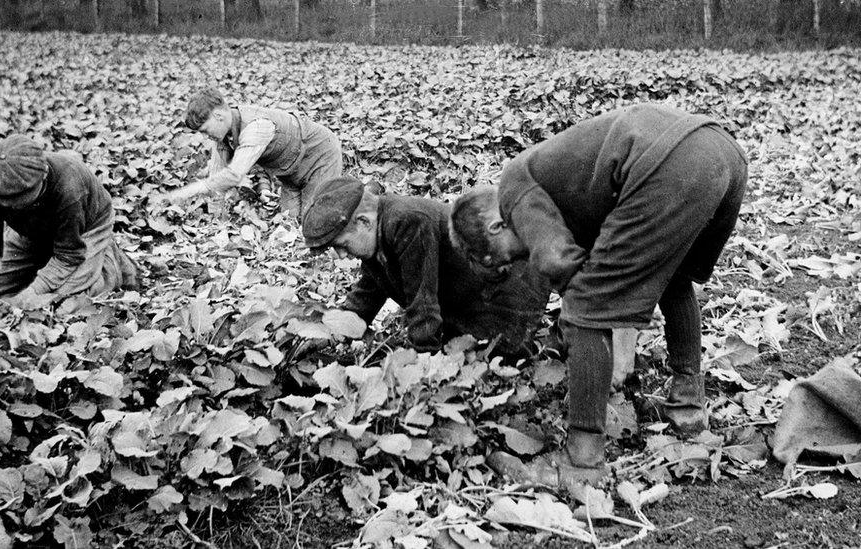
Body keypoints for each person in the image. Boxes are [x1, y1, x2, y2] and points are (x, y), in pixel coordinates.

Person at [449, 103, 747, 487]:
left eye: (492, 260)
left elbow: (559, 261)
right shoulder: (563, 191)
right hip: (722, 151)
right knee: (675, 278)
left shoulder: (514, 188)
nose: (506, 268)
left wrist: (584, 320)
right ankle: (688, 408)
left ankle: (581, 461)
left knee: (585, 306)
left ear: (496, 226)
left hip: (670, 162)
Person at [301, 176, 547, 354]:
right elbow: (368, 293)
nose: (341, 256)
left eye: (342, 245)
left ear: (364, 222)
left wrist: (423, 369)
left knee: (496, 361)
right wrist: (329, 329)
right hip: (469, 303)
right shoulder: (379, 232)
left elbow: (423, 303)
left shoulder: (407, 221)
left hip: (509, 294)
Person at [0, 135, 139, 308]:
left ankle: (108, 260)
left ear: (44, 175)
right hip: (33, 230)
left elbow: (69, 254)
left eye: (19, 199)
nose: (10, 206)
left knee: (66, 301)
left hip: (87, 227)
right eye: (6, 201)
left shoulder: (70, 188)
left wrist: (35, 290)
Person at [163, 87, 344, 220]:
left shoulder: (256, 127)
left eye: (204, 129)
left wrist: (186, 192)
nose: (205, 135)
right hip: (290, 174)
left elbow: (233, 175)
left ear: (218, 116)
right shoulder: (222, 137)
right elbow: (218, 178)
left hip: (320, 156)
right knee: (289, 220)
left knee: (314, 222)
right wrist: (216, 220)